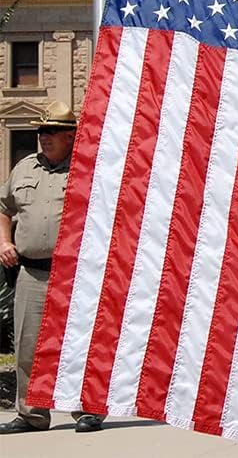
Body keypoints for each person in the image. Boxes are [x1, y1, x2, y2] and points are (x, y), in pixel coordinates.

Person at [0, 103, 103, 434]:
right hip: (31, 273)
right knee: (28, 346)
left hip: (75, 273)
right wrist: (4, 242)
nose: (44, 137)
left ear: (70, 136)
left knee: (78, 344)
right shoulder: (24, 168)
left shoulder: (88, 170)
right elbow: (4, 208)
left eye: (52, 131)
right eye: (41, 131)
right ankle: (31, 414)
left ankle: (87, 411)